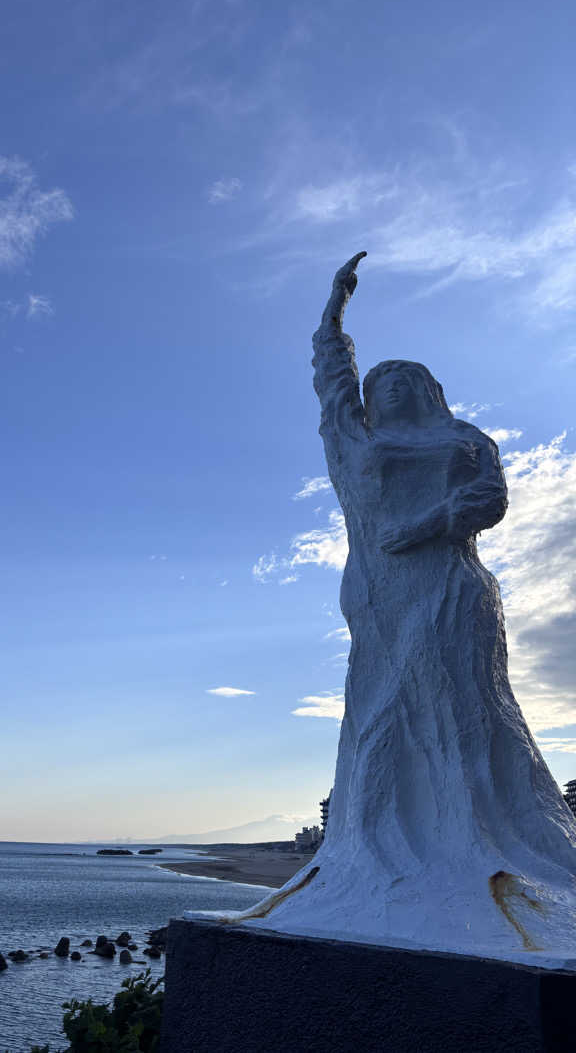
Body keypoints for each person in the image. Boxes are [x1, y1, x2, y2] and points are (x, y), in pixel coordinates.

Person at [187, 253, 576, 965]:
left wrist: (427, 525)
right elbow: (332, 386)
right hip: (378, 607)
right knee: (379, 720)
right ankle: (380, 855)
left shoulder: (465, 440)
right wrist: (334, 314)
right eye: (380, 378)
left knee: (462, 718)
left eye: (405, 376)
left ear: (429, 388)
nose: (389, 383)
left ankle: (484, 848)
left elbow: (489, 500)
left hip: (451, 594)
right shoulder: (356, 444)